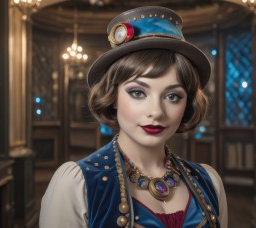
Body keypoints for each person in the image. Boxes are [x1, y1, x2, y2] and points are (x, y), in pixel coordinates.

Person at [39, 6, 227, 228]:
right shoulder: (75, 185)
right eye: (138, 93)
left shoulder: (209, 182)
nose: (156, 111)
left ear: (187, 104)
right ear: (113, 97)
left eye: (173, 96)